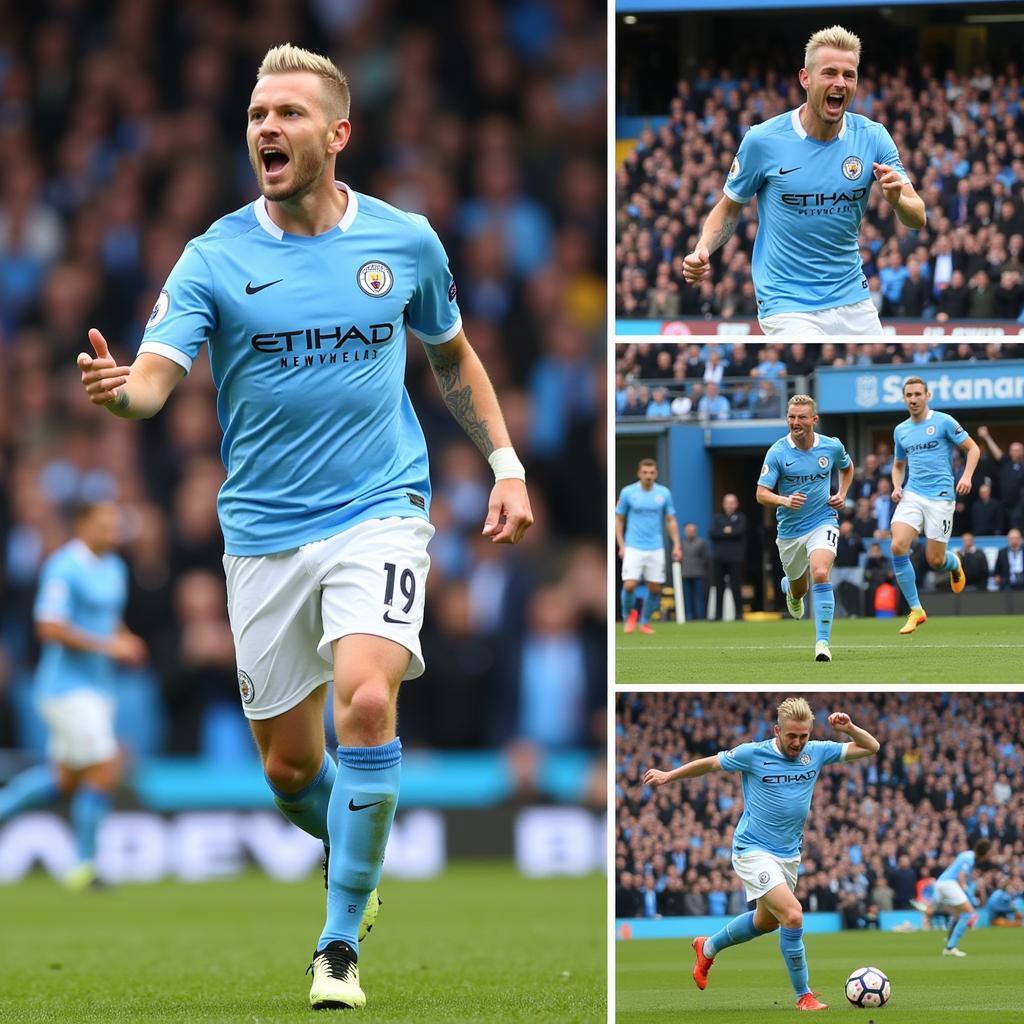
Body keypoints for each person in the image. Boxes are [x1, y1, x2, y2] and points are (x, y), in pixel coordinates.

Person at [76, 44, 532, 1011]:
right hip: (263, 534)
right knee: (290, 772)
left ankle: (337, 943)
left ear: (337, 133)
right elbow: (155, 381)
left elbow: (453, 359)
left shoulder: (405, 242)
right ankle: (357, 834)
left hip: (382, 511)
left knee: (367, 704)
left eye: (286, 114)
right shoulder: (215, 255)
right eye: (255, 116)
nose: (266, 130)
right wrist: (123, 399)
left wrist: (505, 464)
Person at [680, 25, 925, 335]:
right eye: (830, 73)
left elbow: (917, 218)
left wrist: (898, 201)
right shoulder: (763, 140)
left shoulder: (873, 137)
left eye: (849, 75)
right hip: (787, 302)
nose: (840, 82)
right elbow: (730, 208)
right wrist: (702, 248)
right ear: (805, 78)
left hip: (851, 295)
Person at [643, 697, 879, 1012]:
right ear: (777, 730)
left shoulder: (817, 752)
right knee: (793, 915)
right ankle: (803, 996)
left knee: (766, 922)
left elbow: (871, 747)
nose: (798, 743)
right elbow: (710, 764)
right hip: (752, 850)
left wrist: (849, 728)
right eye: (792, 736)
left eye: (803, 736)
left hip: (788, 855)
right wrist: (669, 776)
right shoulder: (753, 753)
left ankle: (707, 947)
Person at [0, 502, 148, 889]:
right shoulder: (63, 567)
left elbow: (107, 617)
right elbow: (49, 627)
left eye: (116, 524)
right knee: (105, 764)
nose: (113, 531)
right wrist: (108, 646)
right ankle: (84, 867)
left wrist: (123, 637)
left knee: (64, 780)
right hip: (65, 690)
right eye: (105, 525)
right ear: (82, 525)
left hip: (98, 689)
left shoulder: (115, 567)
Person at [756, 394, 854, 662]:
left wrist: (842, 493)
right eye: (791, 417)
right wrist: (784, 500)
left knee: (821, 572)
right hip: (789, 531)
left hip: (823, 519)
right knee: (801, 588)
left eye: (801, 417)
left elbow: (847, 468)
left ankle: (822, 644)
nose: (795, 422)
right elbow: (761, 493)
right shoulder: (778, 452)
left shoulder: (831, 447)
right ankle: (791, 589)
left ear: (814, 419)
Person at [889, 377, 980, 635]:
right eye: (909, 395)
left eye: (918, 394)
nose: (914, 399)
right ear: (904, 398)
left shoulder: (944, 421)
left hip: (940, 497)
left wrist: (966, 476)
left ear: (928, 395)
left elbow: (973, 449)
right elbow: (898, 464)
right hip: (913, 494)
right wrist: (897, 486)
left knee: (935, 560)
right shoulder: (901, 430)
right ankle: (916, 609)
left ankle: (954, 563)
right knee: (897, 545)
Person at [615, 458, 682, 635]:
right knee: (629, 585)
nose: (648, 476)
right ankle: (629, 617)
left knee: (655, 588)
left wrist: (676, 545)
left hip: (655, 547)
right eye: (645, 473)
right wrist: (621, 544)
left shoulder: (664, 494)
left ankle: (644, 621)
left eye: (651, 473)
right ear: (639, 473)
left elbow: (670, 520)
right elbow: (618, 519)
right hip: (634, 546)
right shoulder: (628, 492)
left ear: (656, 474)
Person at [921, 839, 994, 956]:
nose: (991, 855)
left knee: (957, 914)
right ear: (984, 851)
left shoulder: (967, 854)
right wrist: (970, 896)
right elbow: (961, 878)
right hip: (949, 884)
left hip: (942, 882)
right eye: (990, 852)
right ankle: (950, 947)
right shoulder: (970, 859)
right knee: (969, 913)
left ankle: (949, 941)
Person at [709, 494, 747, 622]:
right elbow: (713, 533)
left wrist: (726, 531)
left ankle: (739, 613)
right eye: (727, 502)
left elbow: (739, 531)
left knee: (736, 586)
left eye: (732, 502)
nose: (730, 505)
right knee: (719, 586)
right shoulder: (717, 518)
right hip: (719, 558)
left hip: (735, 558)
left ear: (736, 504)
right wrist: (727, 531)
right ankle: (718, 614)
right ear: (723, 504)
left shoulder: (741, 518)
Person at [680, 521, 710, 621]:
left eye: (693, 530)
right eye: (689, 530)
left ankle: (700, 616)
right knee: (687, 597)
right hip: (685, 574)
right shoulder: (681, 543)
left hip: (699, 574)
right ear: (685, 531)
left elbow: (706, 558)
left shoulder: (702, 542)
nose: (691, 532)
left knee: (699, 597)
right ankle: (689, 616)